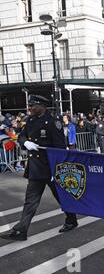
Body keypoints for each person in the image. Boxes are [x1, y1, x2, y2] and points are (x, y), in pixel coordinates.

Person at [1, 95, 78, 242]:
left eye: (32, 105)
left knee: (61, 196)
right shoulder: (30, 120)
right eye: (29, 105)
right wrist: (26, 143)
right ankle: (20, 230)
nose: (29, 108)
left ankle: (71, 219)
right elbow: (21, 136)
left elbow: (60, 149)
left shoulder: (53, 122)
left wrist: (56, 169)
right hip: (36, 168)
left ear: (42, 106)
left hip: (50, 168)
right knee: (31, 200)